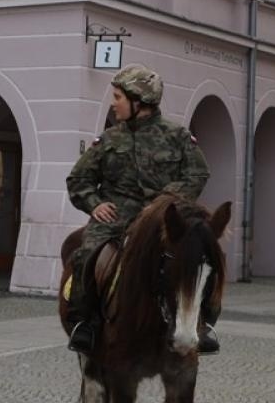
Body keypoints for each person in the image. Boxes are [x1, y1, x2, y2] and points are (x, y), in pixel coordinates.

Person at [65, 64, 215, 353]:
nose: (113, 103)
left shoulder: (178, 137)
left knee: (199, 256)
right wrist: (94, 205)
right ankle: (86, 322)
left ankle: (203, 322)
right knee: (85, 254)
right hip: (116, 217)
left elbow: (198, 174)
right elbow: (79, 179)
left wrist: (166, 202)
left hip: (163, 219)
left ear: (139, 102)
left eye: (118, 97)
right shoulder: (108, 139)